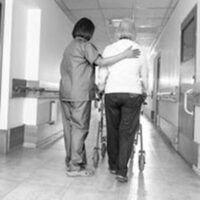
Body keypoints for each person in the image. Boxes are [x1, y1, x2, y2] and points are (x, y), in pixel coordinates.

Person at [59, 17, 140, 177]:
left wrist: (98, 86)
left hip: (65, 94)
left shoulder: (69, 47)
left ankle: (74, 162)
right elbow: (102, 62)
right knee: (80, 129)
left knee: (70, 129)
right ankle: (75, 166)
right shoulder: (85, 45)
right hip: (79, 95)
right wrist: (125, 55)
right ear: (88, 32)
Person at [98, 18, 148, 182]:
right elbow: (144, 76)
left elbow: (103, 71)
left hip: (112, 93)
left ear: (118, 32)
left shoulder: (109, 48)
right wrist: (145, 90)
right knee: (126, 132)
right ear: (134, 33)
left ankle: (112, 166)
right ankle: (121, 171)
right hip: (132, 94)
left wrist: (100, 87)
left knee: (112, 129)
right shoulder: (139, 49)